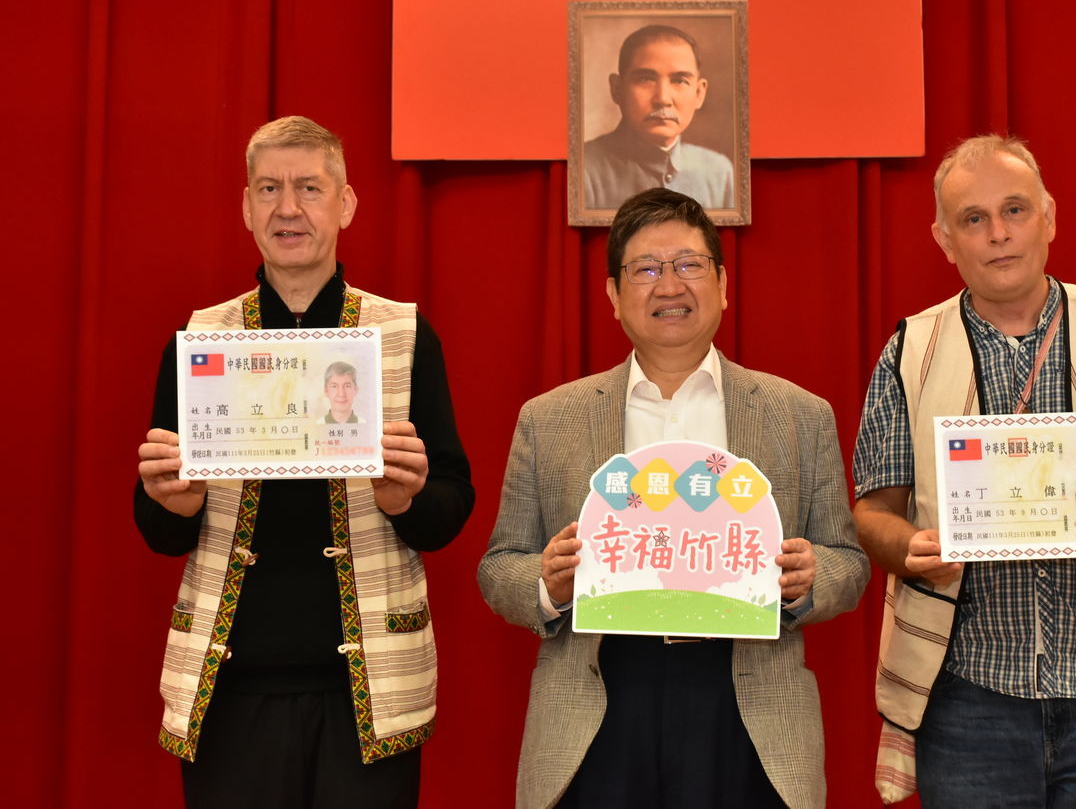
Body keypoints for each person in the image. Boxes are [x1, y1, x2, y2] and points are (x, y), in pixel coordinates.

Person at [478, 188, 868, 809]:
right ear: (613, 294)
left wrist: (812, 577)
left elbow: (848, 560)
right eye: (646, 269)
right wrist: (546, 584)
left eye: (688, 264)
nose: (669, 286)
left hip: (745, 698)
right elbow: (500, 565)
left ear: (723, 284)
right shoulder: (549, 419)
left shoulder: (798, 414)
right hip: (601, 695)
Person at [135, 116, 475, 809]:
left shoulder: (403, 335)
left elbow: (451, 505)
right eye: (269, 189)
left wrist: (407, 500)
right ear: (246, 206)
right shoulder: (200, 342)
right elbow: (160, 528)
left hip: (369, 691)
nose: (287, 208)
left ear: (345, 204)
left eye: (309, 188)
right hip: (229, 690)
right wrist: (173, 503)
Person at [853, 135, 1076, 807]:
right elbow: (873, 512)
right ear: (945, 240)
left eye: (1014, 210)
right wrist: (910, 547)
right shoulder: (910, 349)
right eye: (974, 219)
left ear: (1049, 218)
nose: (998, 234)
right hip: (967, 695)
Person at [583, 24, 734, 211]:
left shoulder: (719, 172)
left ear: (699, 93)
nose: (663, 99)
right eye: (645, 79)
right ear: (617, 89)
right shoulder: (584, 169)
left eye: (680, 81)